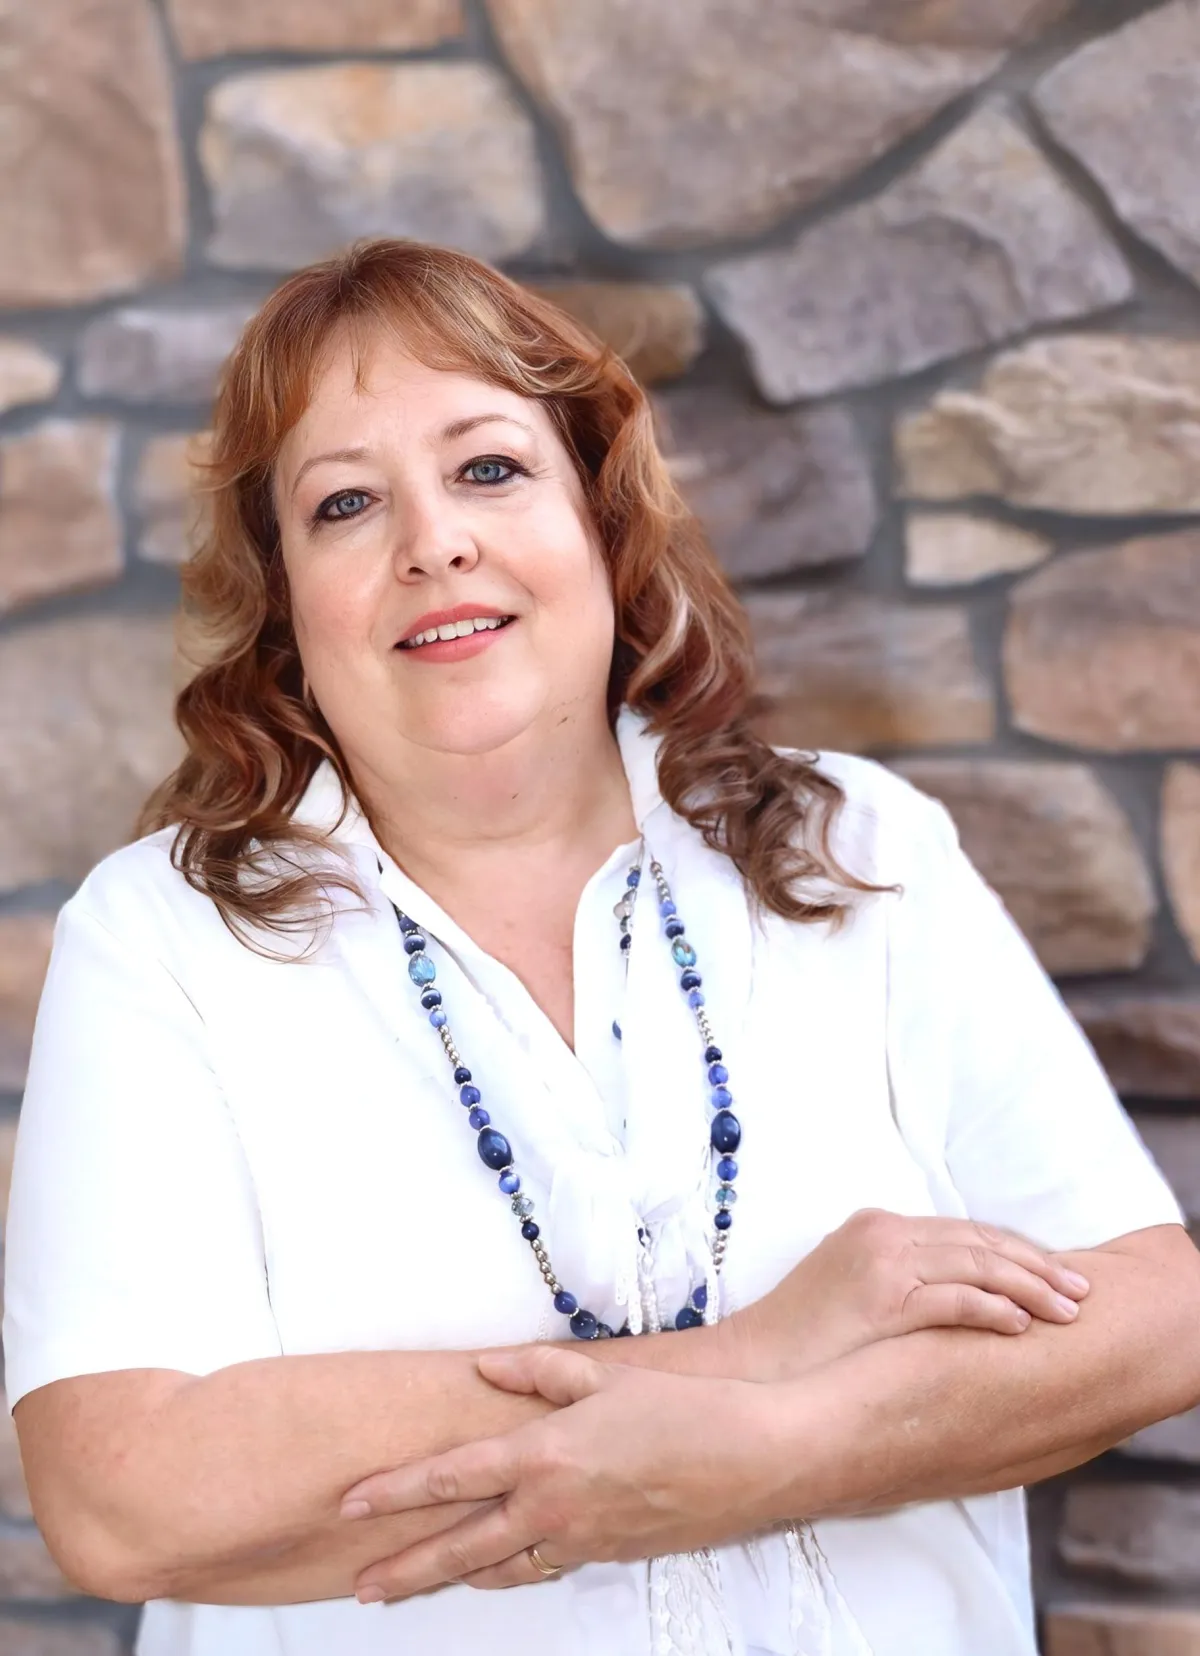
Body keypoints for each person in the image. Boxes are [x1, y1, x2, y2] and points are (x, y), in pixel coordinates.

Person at [5, 238, 1199, 1656]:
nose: (433, 540)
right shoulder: (165, 938)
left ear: (599, 519)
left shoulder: (856, 848)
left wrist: (776, 1449)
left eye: (491, 468)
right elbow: (121, 1491)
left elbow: (1153, 1309)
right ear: (284, 608)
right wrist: (750, 1356)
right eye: (344, 503)